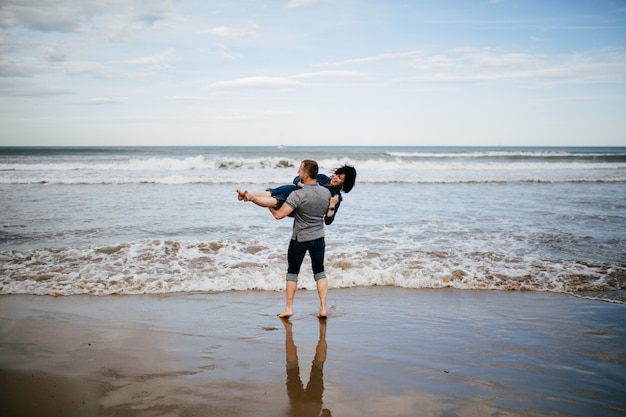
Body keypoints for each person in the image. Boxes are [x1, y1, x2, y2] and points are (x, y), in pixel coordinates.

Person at [268, 160, 331, 319]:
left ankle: (288, 308)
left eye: (300, 170)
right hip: (319, 238)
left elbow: (279, 215)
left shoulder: (298, 194)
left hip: (300, 239)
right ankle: (323, 308)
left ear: (306, 173)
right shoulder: (326, 193)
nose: (298, 172)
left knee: (292, 273)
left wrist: (269, 202)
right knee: (320, 272)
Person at [237, 164, 356, 225]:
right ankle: (248, 196)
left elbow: (328, 221)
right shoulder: (322, 178)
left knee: (275, 200)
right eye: (336, 174)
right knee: (275, 193)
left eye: (339, 178)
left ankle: (250, 197)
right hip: (294, 192)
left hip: (301, 206)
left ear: (345, 183)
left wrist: (332, 206)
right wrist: (303, 185)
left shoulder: (335, 197)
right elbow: (296, 179)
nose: (335, 177)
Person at [282, 317, 331, 417]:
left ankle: (322, 334)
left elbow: (327, 414)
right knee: (292, 371)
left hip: (314, 405)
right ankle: (288, 331)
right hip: (298, 406)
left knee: (318, 368)